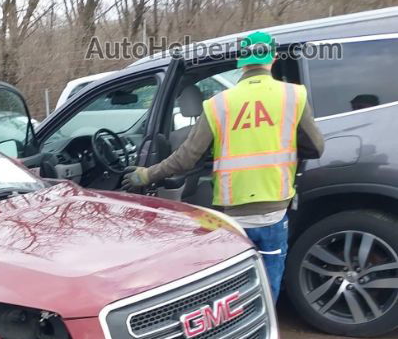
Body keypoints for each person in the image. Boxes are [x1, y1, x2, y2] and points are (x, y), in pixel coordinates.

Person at [122, 31, 325, 301]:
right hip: (273, 213)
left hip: (232, 216)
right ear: (273, 58)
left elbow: (186, 158)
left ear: (241, 61)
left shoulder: (219, 103)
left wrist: (146, 174)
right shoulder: (293, 96)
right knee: (268, 286)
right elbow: (316, 147)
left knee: (234, 288)